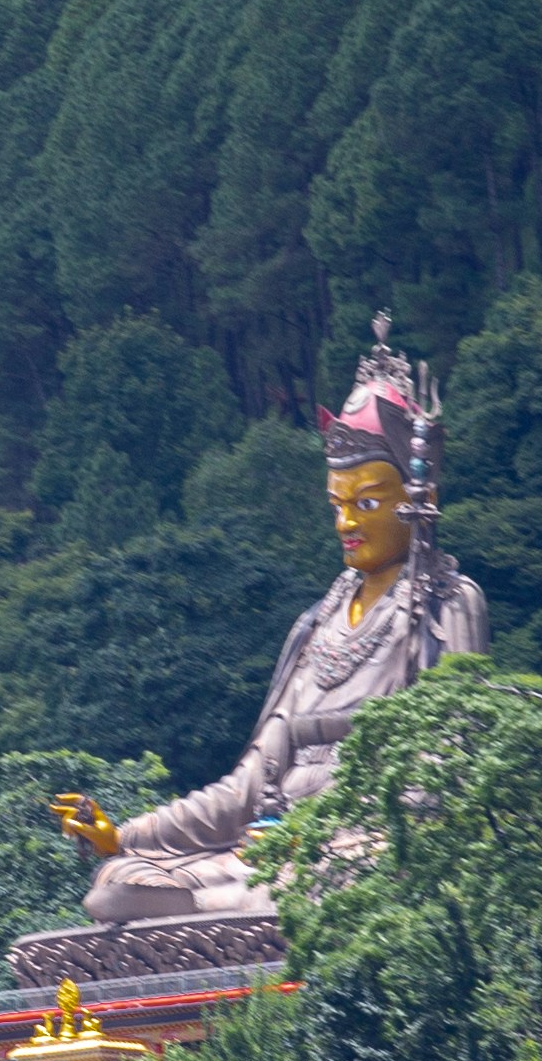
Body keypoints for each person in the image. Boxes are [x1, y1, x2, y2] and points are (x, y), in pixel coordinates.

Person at [49, 320, 485, 927]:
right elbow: (249, 788)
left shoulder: (446, 603)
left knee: (318, 885)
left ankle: (244, 913)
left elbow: (450, 763)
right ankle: (233, 912)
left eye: (367, 502)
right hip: (271, 851)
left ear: (416, 495)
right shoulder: (316, 624)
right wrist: (124, 835)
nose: (346, 523)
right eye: (337, 505)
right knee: (115, 888)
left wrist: (337, 832)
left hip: (367, 845)